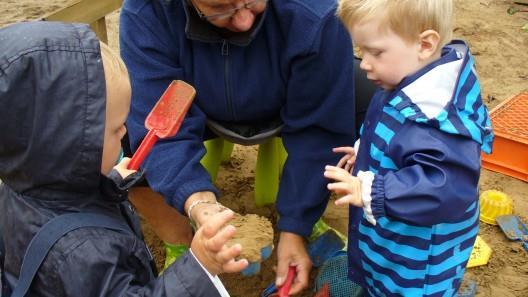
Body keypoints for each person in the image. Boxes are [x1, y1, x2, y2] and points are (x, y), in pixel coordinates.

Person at [119, 0, 359, 293]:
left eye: (252, 0)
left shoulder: (314, 12)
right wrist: (199, 203)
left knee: (371, 104)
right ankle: (181, 246)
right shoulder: (148, 10)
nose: (245, 20)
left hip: (286, 97)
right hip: (196, 105)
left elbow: (319, 132)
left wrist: (296, 227)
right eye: (222, 8)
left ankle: (309, 219)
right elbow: (157, 125)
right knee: (116, 132)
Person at [0, 21, 248, 297]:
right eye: (115, 128)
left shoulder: (24, 188)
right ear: (65, 146)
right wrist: (199, 268)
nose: (125, 131)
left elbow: (70, 204)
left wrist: (110, 180)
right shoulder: (84, 254)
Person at [324, 0, 494, 296]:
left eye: (375, 52)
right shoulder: (401, 81)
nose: (363, 63)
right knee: (380, 279)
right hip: (393, 240)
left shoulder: (437, 119)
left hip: (418, 262)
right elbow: (394, 134)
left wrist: (373, 190)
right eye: (361, 51)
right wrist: (367, 152)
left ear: (425, 45)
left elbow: (443, 185)